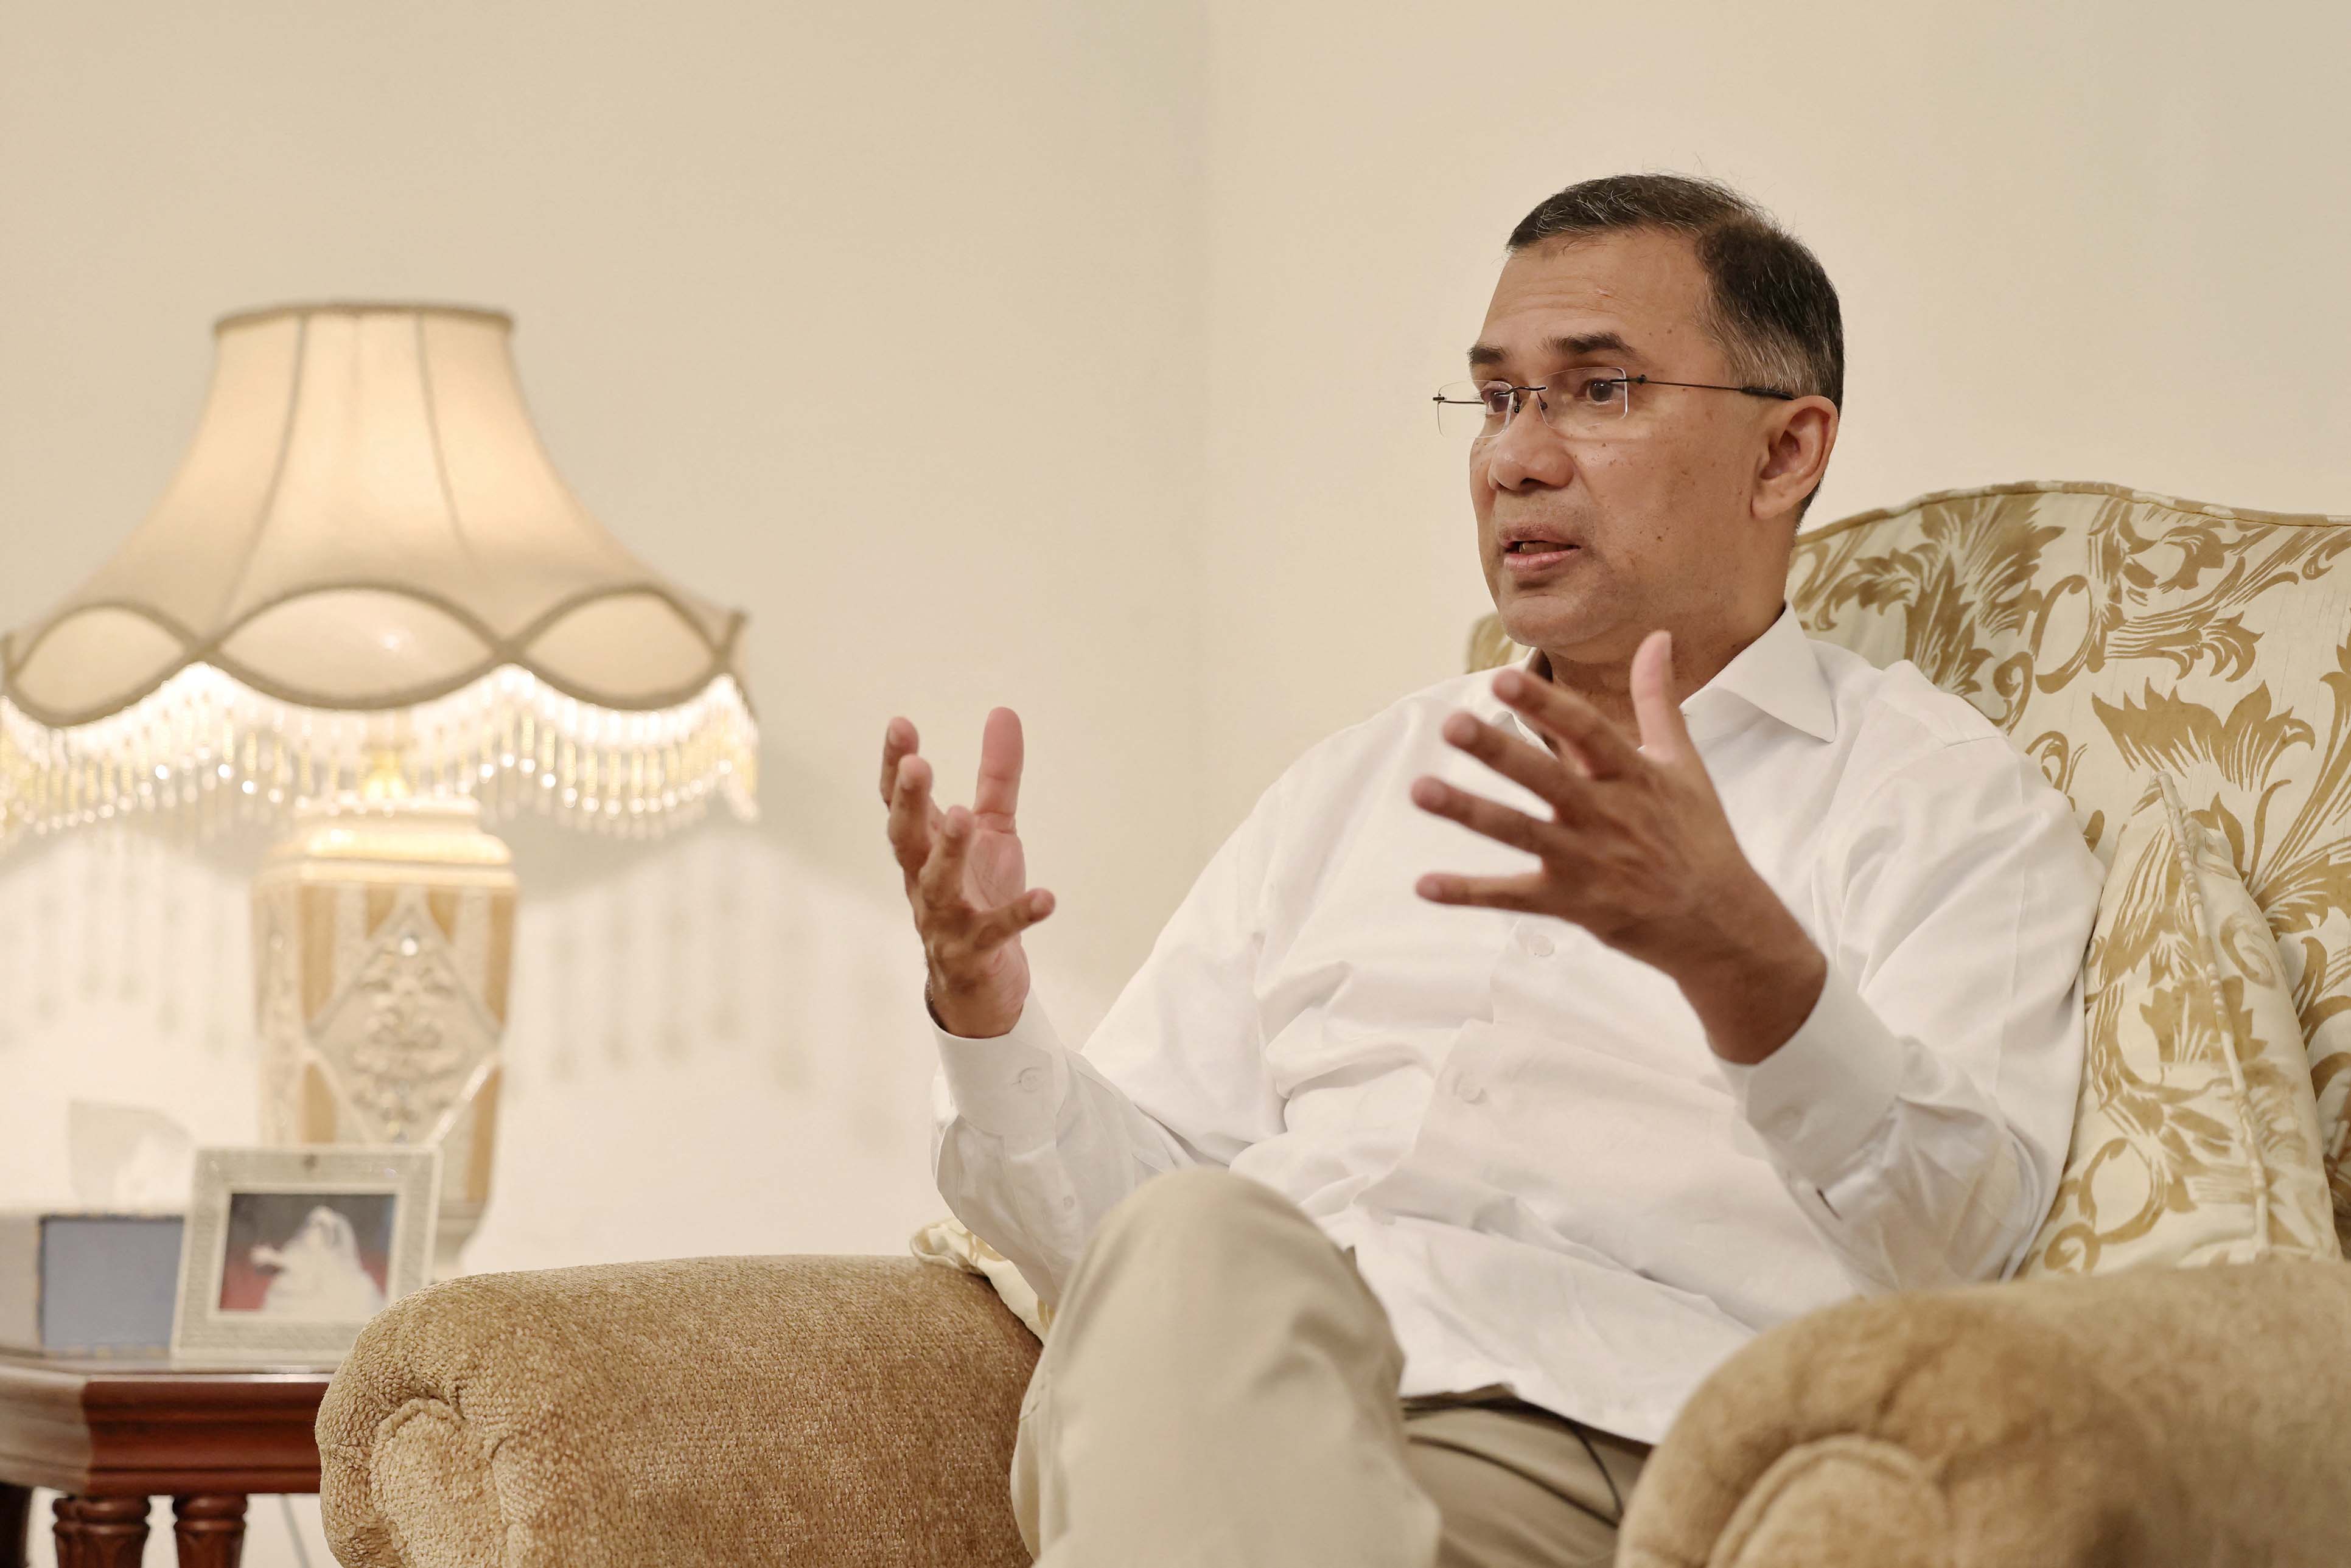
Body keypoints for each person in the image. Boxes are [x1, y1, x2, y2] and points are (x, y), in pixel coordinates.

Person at [881, 173, 2103, 1568]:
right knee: (1194, 1238)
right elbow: (1124, 1239)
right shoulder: (1354, 784)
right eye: (1498, 398)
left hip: (1575, 1448)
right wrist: (987, 1015)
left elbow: (1971, 1251)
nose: (1516, 457)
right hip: (1200, 1399)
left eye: (1598, 390)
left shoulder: (1933, 796)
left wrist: (1739, 958)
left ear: (1784, 452)